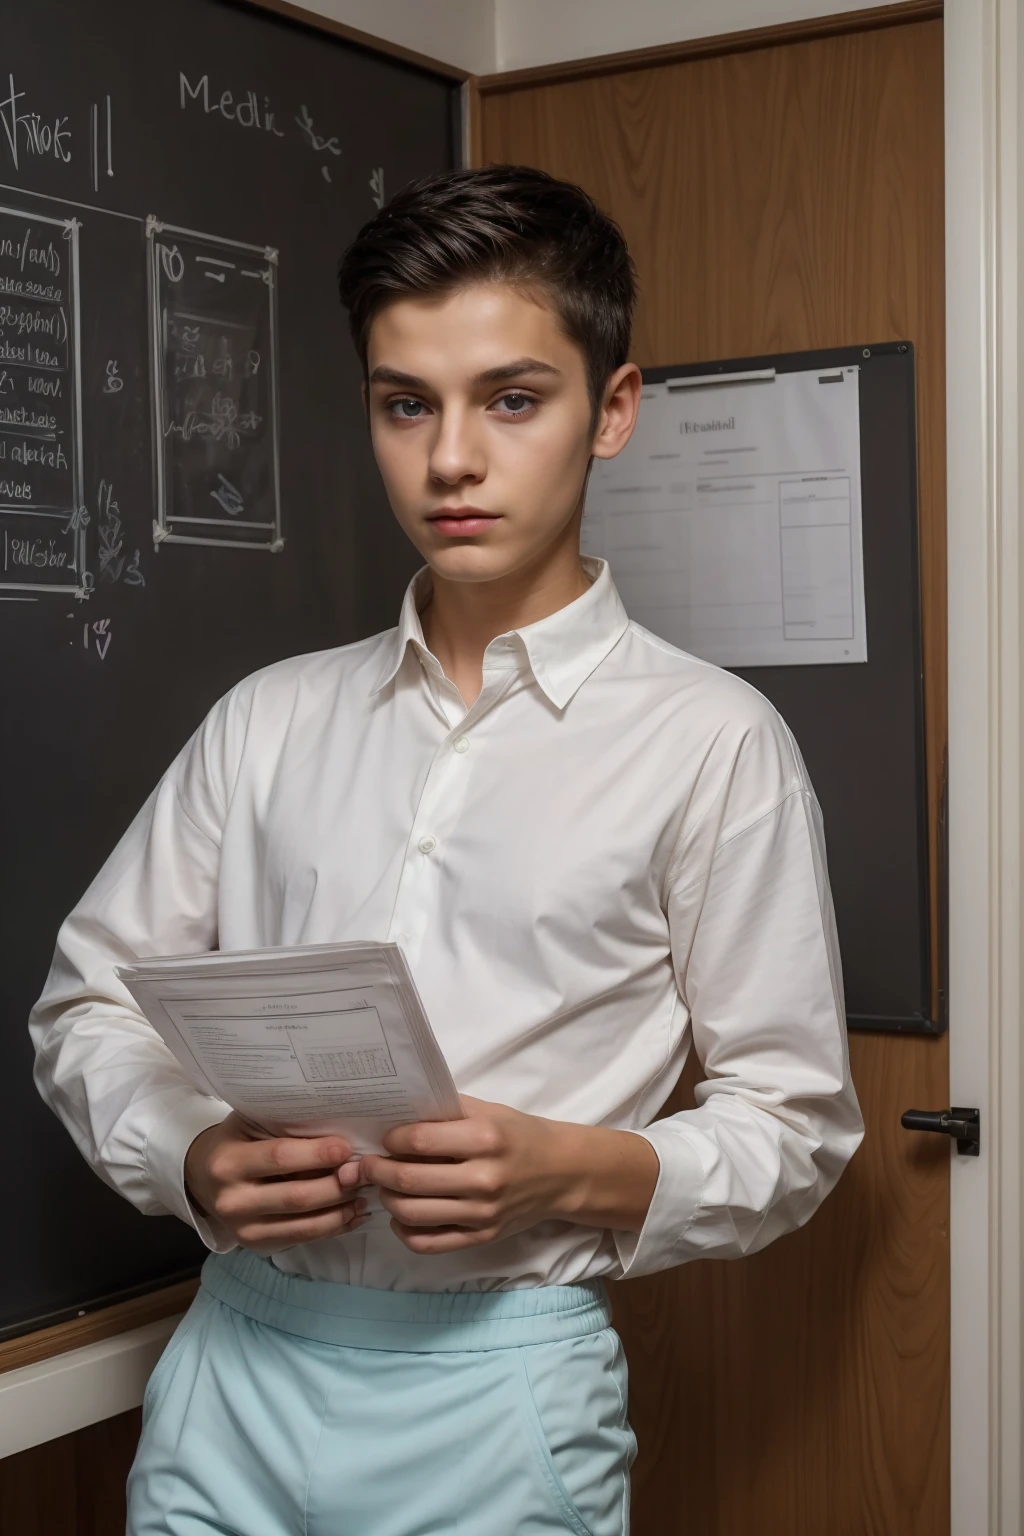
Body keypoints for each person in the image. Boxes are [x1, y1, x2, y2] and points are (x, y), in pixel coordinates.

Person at [29, 165, 864, 1536]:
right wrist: (187, 1153)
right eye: (405, 404)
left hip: (502, 1387)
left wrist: (571, 1169)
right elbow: (88, 1002)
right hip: (232, 1366)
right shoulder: (270, 719)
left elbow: (795, 1122)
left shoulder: (715, 743)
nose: (451, 459)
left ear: (613, 410)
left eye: (512, 400)